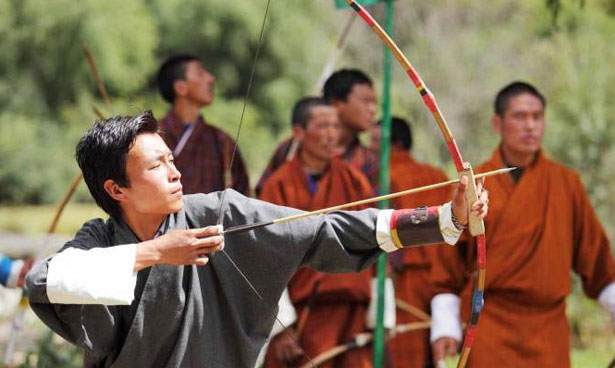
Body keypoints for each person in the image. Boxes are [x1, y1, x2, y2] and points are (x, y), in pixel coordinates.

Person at [25, 111, 487, 368]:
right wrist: (156, 254)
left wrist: (446, 218)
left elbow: (320, 227)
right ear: (116, 190)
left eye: (171, 159)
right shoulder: (100, 238)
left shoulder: (217, 214)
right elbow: (43, 282)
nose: (174, 172)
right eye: (155, 166)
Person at [429, 81, 615, 368]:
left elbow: (597, 260)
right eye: (520, 116)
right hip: (490, 325)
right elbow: (447, 263)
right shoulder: (473, 183)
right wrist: (445, 324)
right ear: (497, 123)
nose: (531, 126)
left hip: (548, 329)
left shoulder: (566, 184)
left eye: (537, 116)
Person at [260, 97, 377, 367]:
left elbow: (377, 241)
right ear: (299, 132)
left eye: (335, 126)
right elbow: (265, 259)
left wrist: (381, 315)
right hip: (303, 315)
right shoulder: (278, 186)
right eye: (322, 126)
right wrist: (281, 327)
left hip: (353, 312)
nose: (331, 134)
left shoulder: (354, 180)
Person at [384, 117, 452, 368]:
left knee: (405, 355)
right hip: (442, 279)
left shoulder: (383, 176)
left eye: (374, 143)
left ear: (394, 143)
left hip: (404, 279)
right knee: (437, 356)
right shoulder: (439, 176)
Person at [255, 69, 378, 194]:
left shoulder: (369, 161)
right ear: (336, 104)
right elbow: (264, 200)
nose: (373, 109)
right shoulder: (291, 148)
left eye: (374, 103)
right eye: (366, 101)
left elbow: (376, 209)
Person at [157, 54, 250, 195]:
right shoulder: (152, 137)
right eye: (200, 73)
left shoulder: (222, 141)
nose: (211, 79)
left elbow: (242, 198)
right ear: (180, 87)